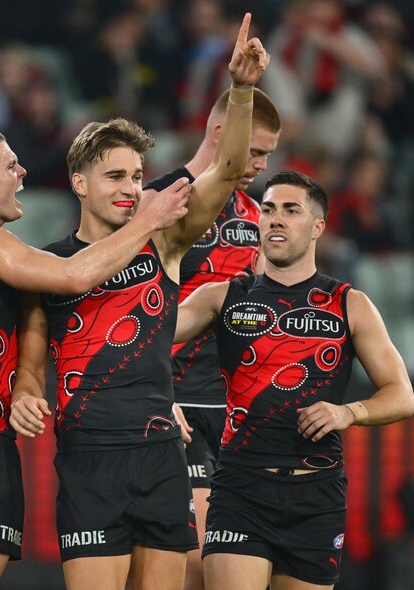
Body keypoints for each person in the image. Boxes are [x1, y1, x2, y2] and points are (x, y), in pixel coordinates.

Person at [11, 13, 270, 590]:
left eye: (136, 175)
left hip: (159, 456)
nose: (131, 188)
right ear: (80, 182)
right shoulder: (46, 268)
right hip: (88, 461)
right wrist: (26, 398)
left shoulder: (167, 242)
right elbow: (29, 373)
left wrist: (242, 91)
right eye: (115, 176)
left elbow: (227, 171)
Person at [0, 128, 193, 590]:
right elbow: (73, 275)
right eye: (10, 166)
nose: (22, 173)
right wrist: (145, 223)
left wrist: (20, 388)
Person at [174, 170, 414, 590]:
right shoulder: (222, 295)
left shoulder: (350, 304)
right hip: (239, 489)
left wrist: (349, 412)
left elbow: (402, 396)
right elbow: (149, 334)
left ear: (318, 226)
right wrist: (161, 398)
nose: (276, 219)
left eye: (291, 210)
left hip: (316, 494)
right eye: (267, 210)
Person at [143, 86, 281, 590]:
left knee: (235, 566)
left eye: (269, 153)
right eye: (256, 150)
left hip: (231, 407)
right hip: (173, 400)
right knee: (197, 562)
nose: (263, 164)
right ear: (225, 135)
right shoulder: (158, 201)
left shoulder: (253, 215)